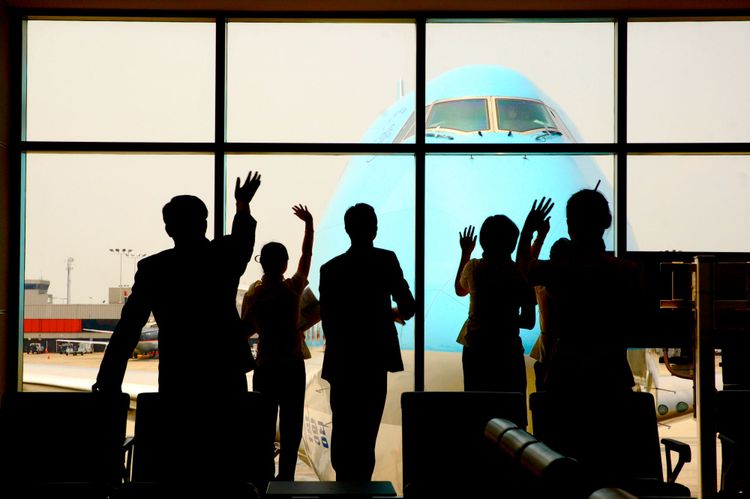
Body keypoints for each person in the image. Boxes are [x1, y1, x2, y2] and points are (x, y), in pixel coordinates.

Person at [93, 171, 261, 394]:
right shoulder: (223, 258)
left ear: (169, 229)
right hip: (225, 370)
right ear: (204, 225)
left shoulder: (153, 269)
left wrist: (108, 380)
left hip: (179, 374)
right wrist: (242, 204)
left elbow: (128, 328)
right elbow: (243, 238)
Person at [318, 203, 415, 481]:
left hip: (343, 361)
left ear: (347, 230)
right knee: (366, 433)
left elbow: (330, 322)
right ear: (374, 229)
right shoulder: (386, 260)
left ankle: (344, 486)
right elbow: (408, 306)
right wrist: (389, 314)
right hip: (374, 360)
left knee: (344, 430)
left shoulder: (330, 269)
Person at [517, 191, 643, 395]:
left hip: (566, 374)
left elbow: (523, 268)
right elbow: (636, 323)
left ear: (569, 225)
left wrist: (528, 229)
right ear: (607, 222)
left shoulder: (560, 270)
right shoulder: (628, 271)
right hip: (613, 374)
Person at [240, 204, 315, 481]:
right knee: (292, 428)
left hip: (266, 368)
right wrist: (308, 226)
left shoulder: (254, 296)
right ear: (284, 264)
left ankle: (265, 481)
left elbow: (244, 331)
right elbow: (306, 256)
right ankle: (286, 480)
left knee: (263, 428)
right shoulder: (294, 289)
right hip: (292, 368)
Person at [454, 216, 536, 397]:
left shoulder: (473, 267)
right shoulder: (520, 274)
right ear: (513, 244)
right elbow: (529, 321)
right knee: (511, 408)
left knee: (477, 407)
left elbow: (460, 290)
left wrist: (465, 252)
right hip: (508, 350)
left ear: (483, 242)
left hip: (476, 349)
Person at [529, 236, 570, 392]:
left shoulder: (540, 283)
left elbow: (527, 267)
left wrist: (537, 238)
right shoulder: (574, 281)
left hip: (545, 351)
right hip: (568, 352)